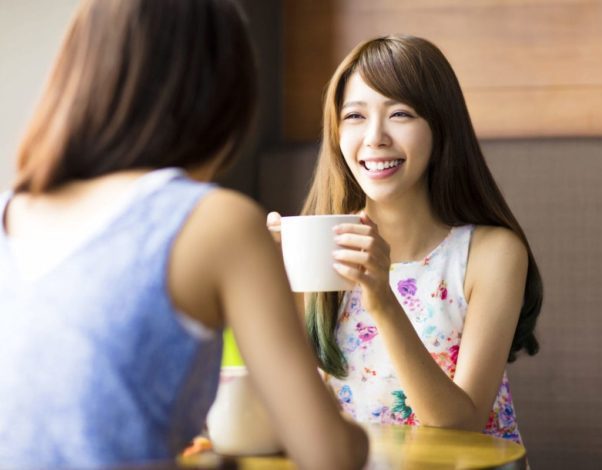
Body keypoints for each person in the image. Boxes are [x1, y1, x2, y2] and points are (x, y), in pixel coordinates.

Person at [0, 0, 368, 468]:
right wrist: (358, 433)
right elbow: (329, 454)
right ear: (224, 97)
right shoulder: (217, 221)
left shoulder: (10, 211)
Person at [268, 35, 542, 444]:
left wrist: (382, 300)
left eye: (400, 114)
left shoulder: (492, 254)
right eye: (355, 116)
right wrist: (263, 281)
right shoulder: (319, 249)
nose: (375, 137)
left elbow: (462, 424)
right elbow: (291, 409)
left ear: (440, 127)